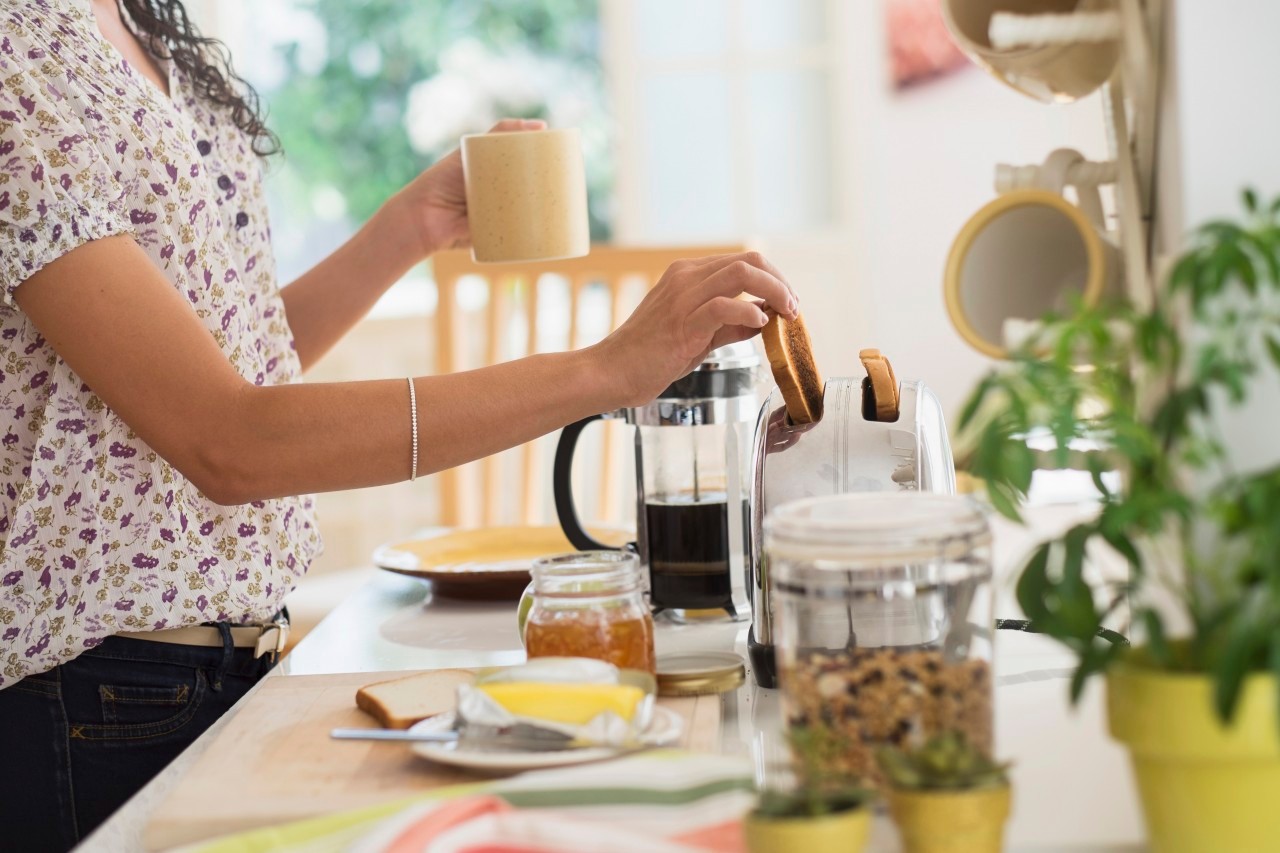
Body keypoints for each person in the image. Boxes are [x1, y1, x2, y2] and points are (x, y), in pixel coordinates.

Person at [0, 0, 798, 849]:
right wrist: (607, 368)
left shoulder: (128, 20)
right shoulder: (19, 60)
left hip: (220, 662)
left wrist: (408, 228)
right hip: (92, 685)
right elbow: (227, 438)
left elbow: (229, 359)